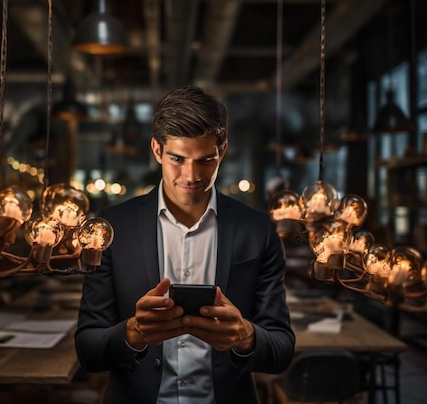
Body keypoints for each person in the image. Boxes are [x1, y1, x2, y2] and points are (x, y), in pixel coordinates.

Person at [75, 85, 295, 404]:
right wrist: (133, 333)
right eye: (177, 158)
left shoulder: (258, 230)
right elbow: (88, 350)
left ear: (222, 151)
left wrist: (245, 336)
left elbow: (281, 350)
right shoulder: (111, 227)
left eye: (205, 160)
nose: (191, 176)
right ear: (156, 150)